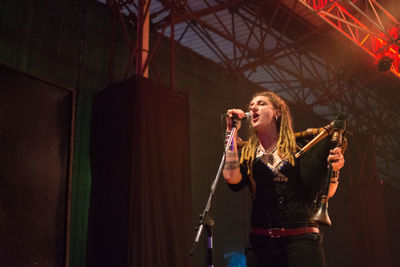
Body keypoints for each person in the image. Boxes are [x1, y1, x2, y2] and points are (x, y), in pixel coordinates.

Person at [222, 91, 345, 267]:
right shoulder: (249, 154)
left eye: (261, 103)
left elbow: (329, 192)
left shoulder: (301, 148)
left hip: (302, 242)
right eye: (251, 105)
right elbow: (230, 177)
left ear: (277, 112)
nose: (253, 107)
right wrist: (230, 132)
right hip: (261, 244)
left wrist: (335, 170)